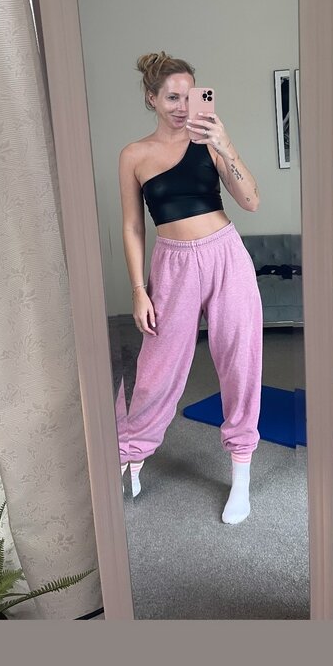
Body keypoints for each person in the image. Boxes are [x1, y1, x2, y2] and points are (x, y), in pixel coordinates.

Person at [115, 51, 263, 524]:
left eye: (188, 96)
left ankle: (241, 473)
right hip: (172, 264)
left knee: (240, 361)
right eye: (171, 98)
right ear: (151, 99)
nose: (182, 107)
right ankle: (131, 451)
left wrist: (225, 143)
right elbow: (133, 226)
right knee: (156, 367)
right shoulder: (134, 155)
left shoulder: (208, 141)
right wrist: (138, 289)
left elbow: (251, 201)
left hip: (225, 256)